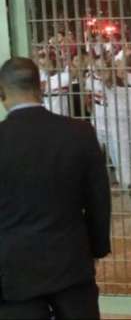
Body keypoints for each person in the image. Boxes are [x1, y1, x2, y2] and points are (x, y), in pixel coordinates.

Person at [0, 57, 111, 319]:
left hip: (14, 272)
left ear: (2, 91)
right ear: (39, 87)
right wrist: (95, 248)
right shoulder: (79, 132)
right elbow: (99, 199)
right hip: (71, 263)